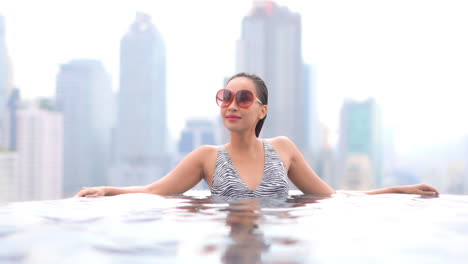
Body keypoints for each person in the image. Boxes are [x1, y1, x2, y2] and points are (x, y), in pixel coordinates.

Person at [75, 72, 439, 198]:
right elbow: (156, 190)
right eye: (225, 97)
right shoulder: (206, 157)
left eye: (243, 98)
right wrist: (108, 190)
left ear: (261, 110)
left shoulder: (283, 149)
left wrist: (398, 190)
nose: (232, 105)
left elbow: (332, 196)